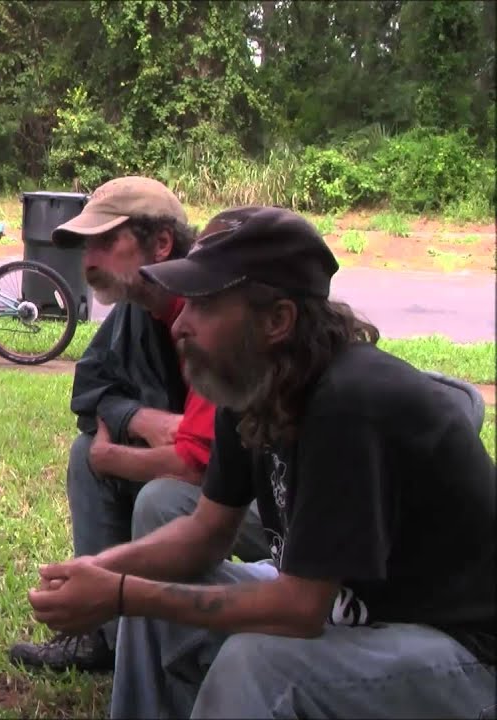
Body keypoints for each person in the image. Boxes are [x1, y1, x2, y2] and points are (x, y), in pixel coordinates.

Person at [27, 205, 496, 718]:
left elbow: (299, 610)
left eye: (204, 305)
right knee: (150, 598)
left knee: (256, 664)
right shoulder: (252, 383)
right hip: (351, 611)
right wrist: (100, 569)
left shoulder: (349, 402)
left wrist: (121, 594)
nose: (180, 324)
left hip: (461, 649)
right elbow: (206, 532)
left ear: (277, 320)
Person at [8, 178, 269, 674]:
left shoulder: (214, 311)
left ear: (162, 243)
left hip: (268, 504)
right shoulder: (137, 312)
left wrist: (113, 456)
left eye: (106, 242)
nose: (89, 261)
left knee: (160, 496)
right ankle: (104, 635)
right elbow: (89, 386)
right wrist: (139, 418)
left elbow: (198, 468)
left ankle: (170, 649)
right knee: (86, 456)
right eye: (86, 246)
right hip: (208, 482)